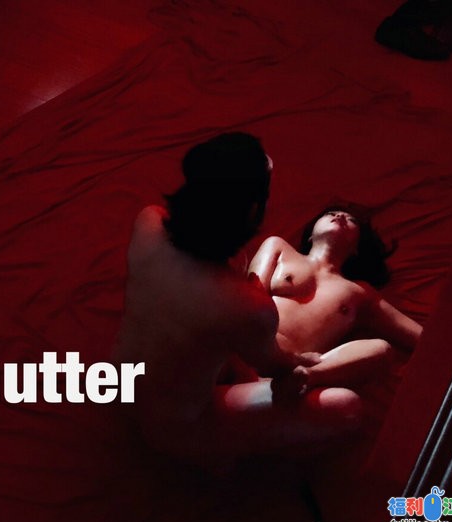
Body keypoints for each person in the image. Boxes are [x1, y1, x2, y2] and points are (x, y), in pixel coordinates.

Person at [112, 133, 363, 463]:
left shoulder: (149, 221)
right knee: (345, 407)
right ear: (253, 211)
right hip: (176, 427)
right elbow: (278, 369)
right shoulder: (248, 306)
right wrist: (306, 360)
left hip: (118, 387)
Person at [247, 207, 423, 399]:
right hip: (256, 351)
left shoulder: (361, 293)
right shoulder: (279, 247)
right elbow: (249, 302)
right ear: (310, 235)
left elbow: (420, 337)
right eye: (330, 214)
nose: (340, 216)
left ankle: (307, 377)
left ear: (356, 248)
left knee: (381, 350)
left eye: (351, 220)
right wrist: (277, 355)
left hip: (296, 371)